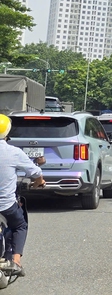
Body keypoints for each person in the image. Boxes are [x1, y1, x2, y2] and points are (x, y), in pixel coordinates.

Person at [0, 114, 45, 276]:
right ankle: (16, 261)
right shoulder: (13, 152)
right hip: (5, 205)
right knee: (19, 225)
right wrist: (39, 182)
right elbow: (36, 172)